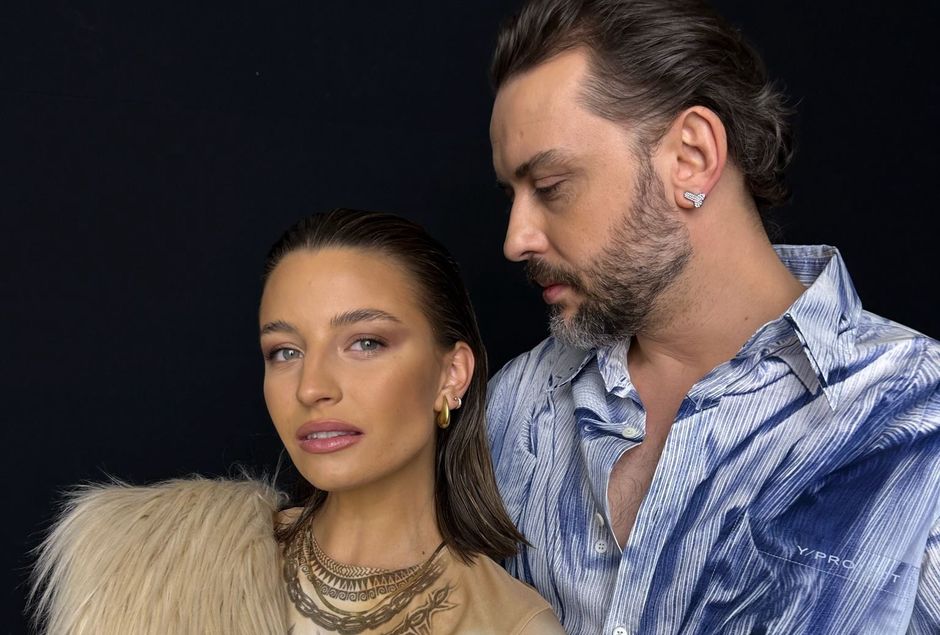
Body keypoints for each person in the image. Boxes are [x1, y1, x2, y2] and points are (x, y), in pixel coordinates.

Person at [484, 1, 940, 634]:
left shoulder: (919, 420)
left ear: (692, 157)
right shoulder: (512, 406)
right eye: (511, 195)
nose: (516, 240)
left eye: (551, 185)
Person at [30, 209, 563, 635]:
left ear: (451, 374)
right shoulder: (156, 567)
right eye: (285, 351)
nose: (311, 387)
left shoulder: (509, 625)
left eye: (365, 343)